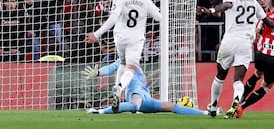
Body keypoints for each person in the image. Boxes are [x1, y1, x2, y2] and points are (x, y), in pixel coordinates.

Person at [197, 0, 274, 118]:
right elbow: (267, 21)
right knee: (238, 80)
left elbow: (227, 6)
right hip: (245, 43)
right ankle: (236, 102)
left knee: (220, 76)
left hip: (229, 40)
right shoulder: (254, 2)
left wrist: (211, 10)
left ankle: (213, 107)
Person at [85, 0, 161, 113]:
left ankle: (117, 94)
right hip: (136, 39)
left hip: (120, 38)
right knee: (131, 68)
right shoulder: (144, 0)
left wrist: (96, 34)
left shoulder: (119, 0)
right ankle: (119, 88)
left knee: (123, 64)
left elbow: (112, 19)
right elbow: (159, 17)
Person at [82, 59, 213, 115]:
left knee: (171, 106)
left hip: (146, 97)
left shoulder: (135, 62)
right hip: (135, 93)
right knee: (134, 105)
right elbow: (112, 67)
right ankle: (100, 111)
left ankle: (206, 112)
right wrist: (99, 72)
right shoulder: (126, 60)